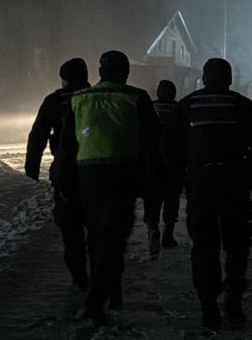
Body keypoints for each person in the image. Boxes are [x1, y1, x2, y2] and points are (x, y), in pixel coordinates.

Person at [164, 57, 252, 329]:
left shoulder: (186, 105)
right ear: (229, 78)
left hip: (200, 187)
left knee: (204, 246)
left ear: (203, 77)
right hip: (234, 186)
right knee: (237, 246)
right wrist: (248, 176)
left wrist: (184, 179)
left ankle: (208, 307)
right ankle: (233, 300)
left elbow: (169, 148)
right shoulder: (242, 105)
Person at [62, 50, 159, 326]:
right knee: (115, 238)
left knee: (97, 238)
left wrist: (64, 182)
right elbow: (155, 142)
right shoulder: (136, 97)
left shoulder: (78, 99)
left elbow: (67, 147)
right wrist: (155, 183)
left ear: (100, 72)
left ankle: (109, 294)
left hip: (87, 176)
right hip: (122, 174)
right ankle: (98, 300)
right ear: (126, 72)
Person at [24, 57, 91, 291]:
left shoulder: (55, 101)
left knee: (70, 229)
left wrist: (31, 172)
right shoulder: (98, 98)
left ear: (63, 79)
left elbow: (37, 137)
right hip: (101, 172)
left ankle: (80, 278)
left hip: (67, 173)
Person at [143, 79, 182, 256]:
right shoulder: (179, 109)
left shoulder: (150, 108)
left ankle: (152, 228)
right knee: (171, 198)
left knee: (152, 198)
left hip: (152, 161)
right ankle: (168, 233)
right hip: (174, 162)